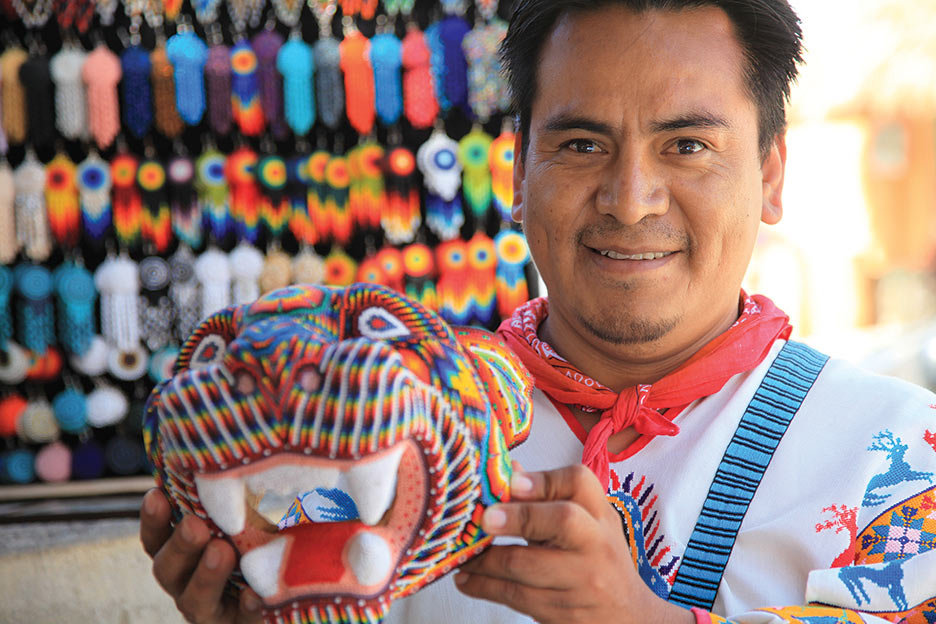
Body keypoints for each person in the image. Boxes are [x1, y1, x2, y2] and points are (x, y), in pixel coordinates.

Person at [140, 1, 936, 623]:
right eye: (584, 145)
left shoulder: (896, 457)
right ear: (518, 169)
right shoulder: (377, 427)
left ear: (770, 173)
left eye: (687, 146)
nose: (630, 202)